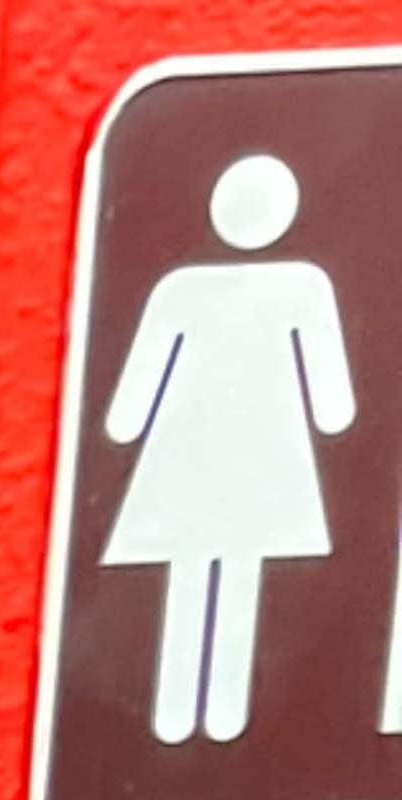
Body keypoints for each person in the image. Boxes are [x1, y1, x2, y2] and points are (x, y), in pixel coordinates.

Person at [103, 150, 355, 742]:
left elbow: (134, 396)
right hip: (264, 453)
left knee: (202, 570)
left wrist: (127, 424)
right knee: (229, 568)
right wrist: (332, 416)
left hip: (193, 454)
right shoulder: (300, 286)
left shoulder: (187, 290)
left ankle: (183, 718)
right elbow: (334, 400)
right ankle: (215, 719)